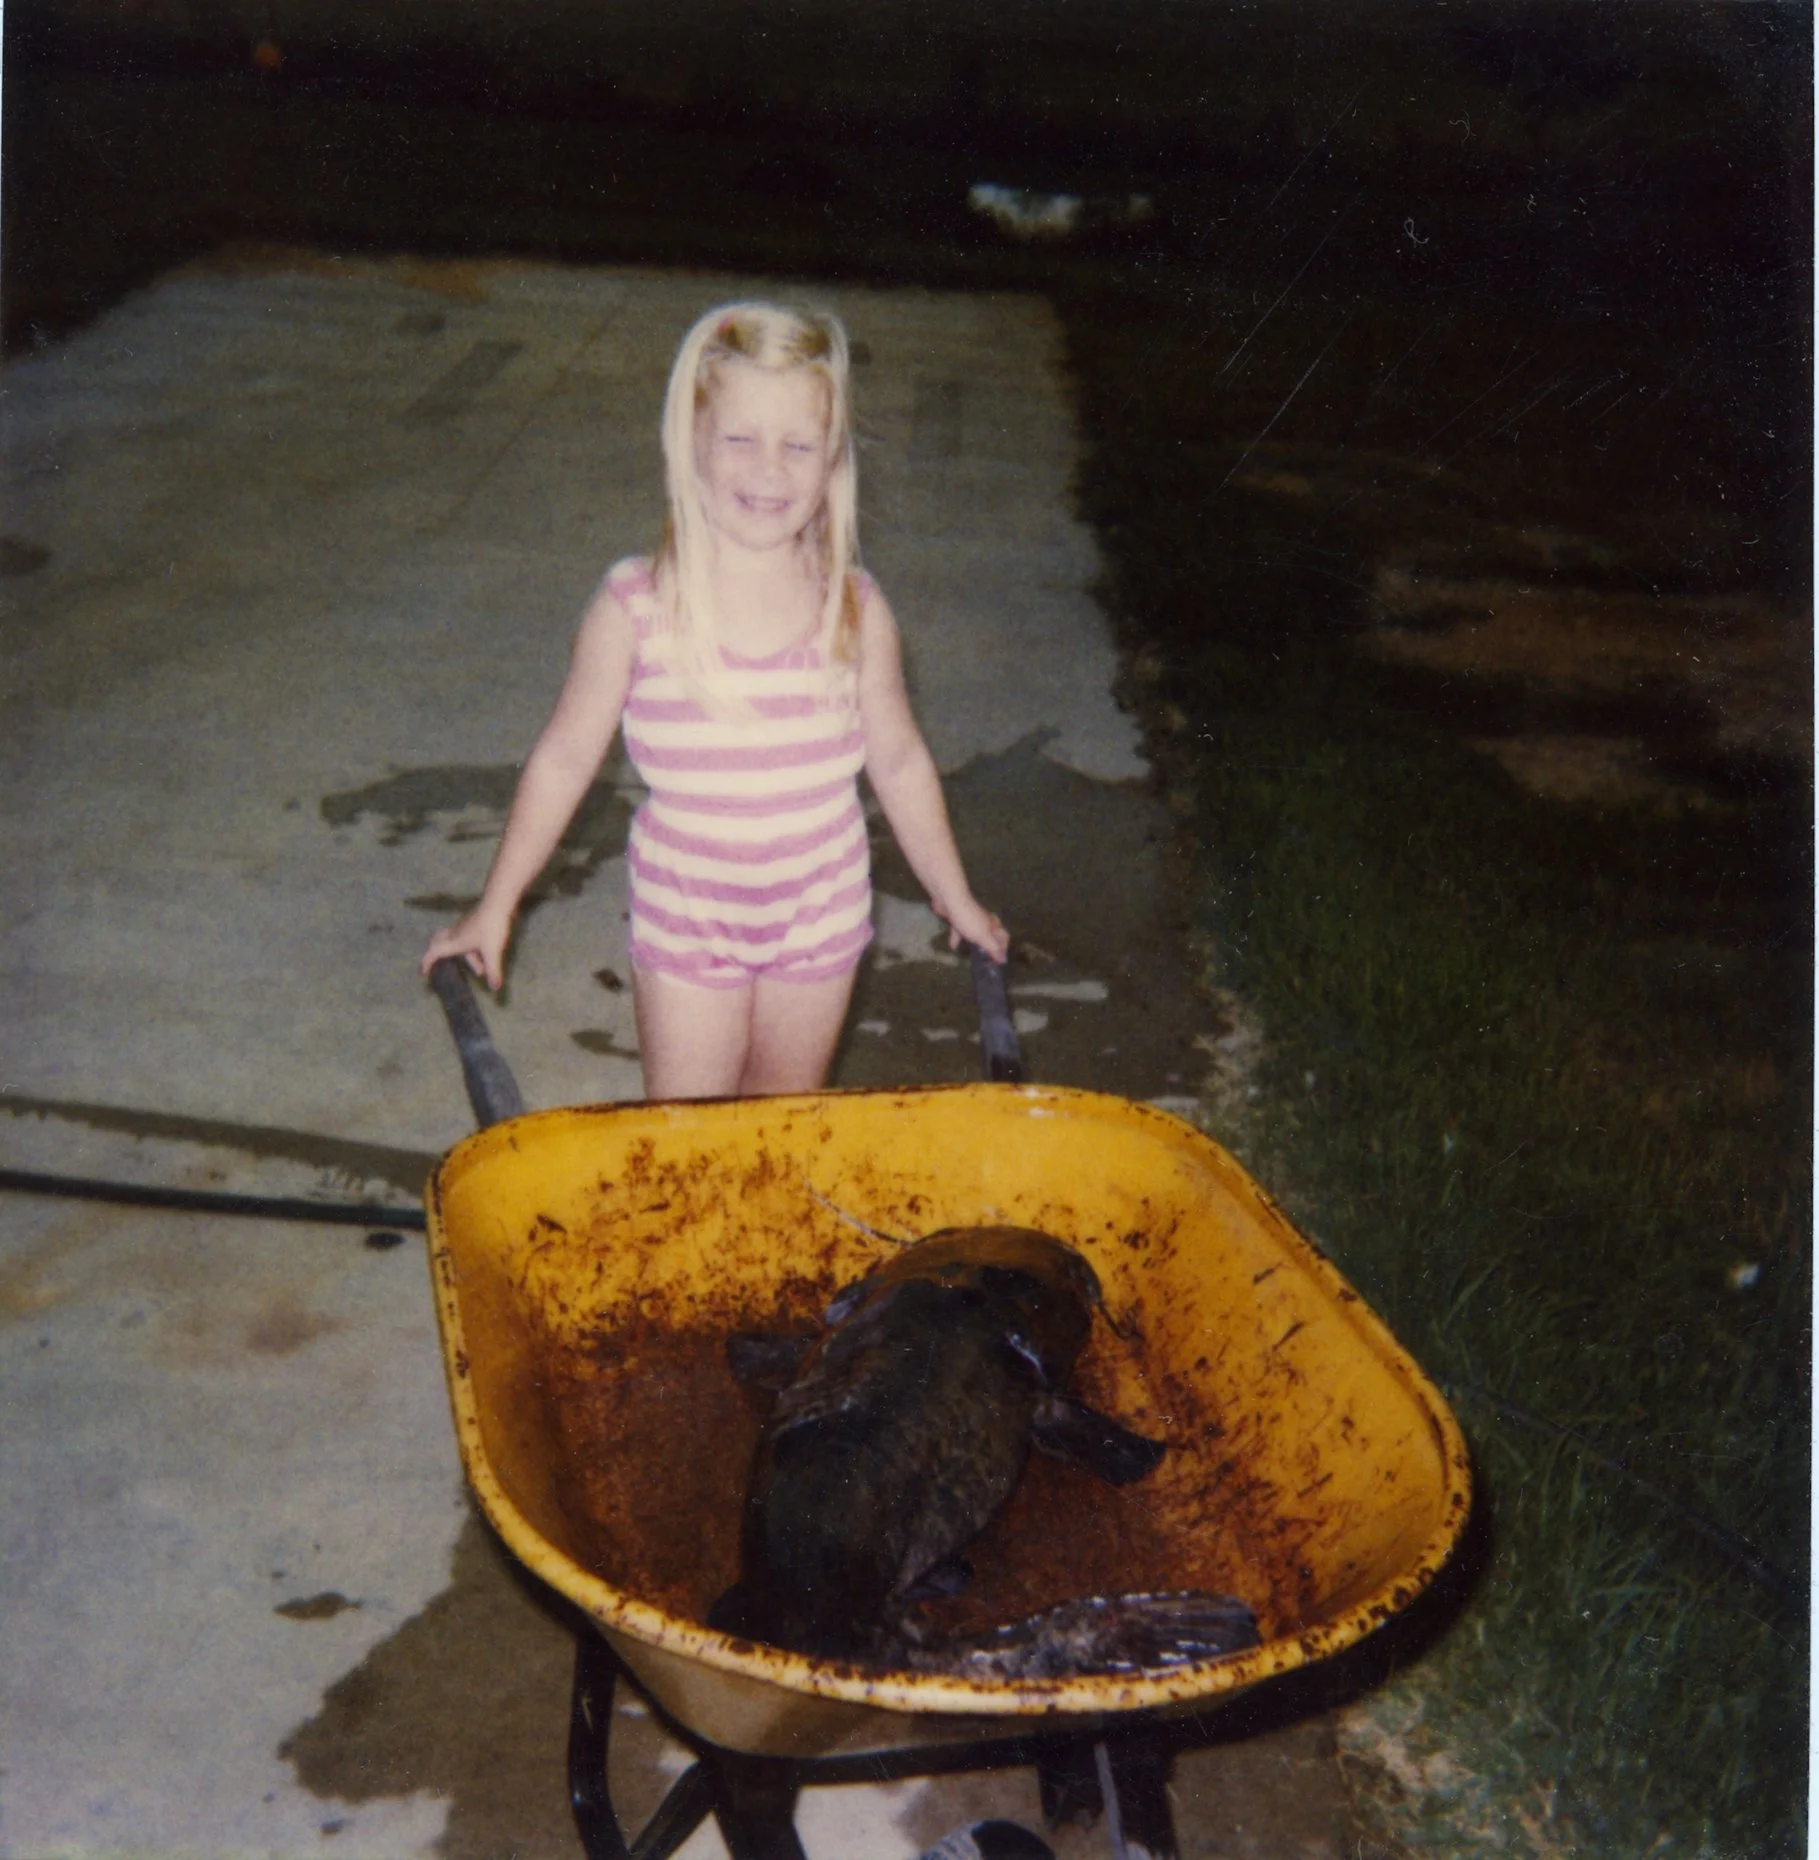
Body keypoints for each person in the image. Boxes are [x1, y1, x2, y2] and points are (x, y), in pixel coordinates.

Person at [420, 300, 1007, 1098]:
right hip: (689, 916)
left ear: (832, 461)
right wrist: (495, 905)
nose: (770, 471)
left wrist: (956, 896)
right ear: (688, 445)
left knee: (776, 1130)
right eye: (739, 438)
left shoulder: (857, 609)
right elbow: (562, 760)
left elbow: (899, 761)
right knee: (692, 1138)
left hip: (821, 914)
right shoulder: (634, 607)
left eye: (798, 446)